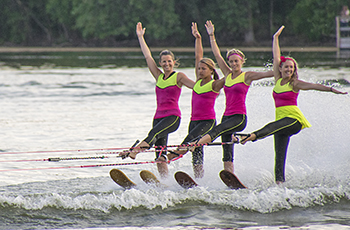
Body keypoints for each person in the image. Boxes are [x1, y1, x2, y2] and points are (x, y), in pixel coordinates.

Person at [239, 25, 348, 184]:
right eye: (286, 66)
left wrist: (331, 89)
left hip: (293, 121)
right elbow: (276, 56)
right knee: (279, 156)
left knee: (270, 127)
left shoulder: (295, 84)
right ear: (281, 69)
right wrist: (275, 38)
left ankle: (249, 136)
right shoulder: (277, 80)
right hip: (281, 123)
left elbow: (314, 86)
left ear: (294, 69)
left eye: (291, 67)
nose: (289, 69)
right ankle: (280, 187)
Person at [190, 20, 274, 174]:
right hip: (226, 116)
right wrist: (211, 35)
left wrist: (283, 69)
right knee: (226, 148)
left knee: (218, 130)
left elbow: (269, 73)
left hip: (239, 118)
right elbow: (216, 54)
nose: (234, 64)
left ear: (242, 61)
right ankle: (229, 175)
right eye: (231, 61)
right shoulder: (227, 74)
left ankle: (195, 143)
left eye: (236, 61)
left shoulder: (247, 76)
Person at [120, 22, 195, 178]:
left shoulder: (179, 76)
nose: (167, 64)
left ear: (174, 62)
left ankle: (134, 151)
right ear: (160, 63)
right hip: (158, 117)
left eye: (169, 61)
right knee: (160, 153)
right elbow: (147, 56)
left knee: (153, 133)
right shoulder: (158, 76)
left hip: (172, 118)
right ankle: (164, 181)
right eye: (164, 62)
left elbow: (196, 87)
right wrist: (140, 37)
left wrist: (211, 84)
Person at [166, 22, 224, 178]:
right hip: (194, 121)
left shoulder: (215, 84)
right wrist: (198, 38)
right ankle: (199, 178)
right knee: (197, 151)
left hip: (208, 122)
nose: (199, 71)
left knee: (190, 140)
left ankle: (170, 156)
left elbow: (230, 78)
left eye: (203, 69)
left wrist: (211, 36)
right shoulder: (197, 82)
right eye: (198, 68)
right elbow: (198, 56)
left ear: (211, 71)